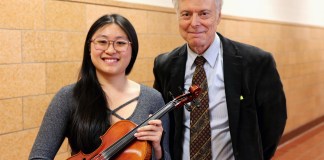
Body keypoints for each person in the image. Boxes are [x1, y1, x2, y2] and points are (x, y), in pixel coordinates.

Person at [153, 0, 287, 159]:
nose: (194, 23)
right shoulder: (164, 65)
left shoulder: (256, 62)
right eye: (186, 14)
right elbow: (162, 122)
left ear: (218, 16)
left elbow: (273, 123)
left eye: (204, 14)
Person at [29, 14, 170, 160]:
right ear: (89, 47)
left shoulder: (153, 99)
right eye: (102, 42)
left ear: (132, 49)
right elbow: (39, 157)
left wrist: (158, 151)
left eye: (120, 43)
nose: (110, 50)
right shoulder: (68, 96)